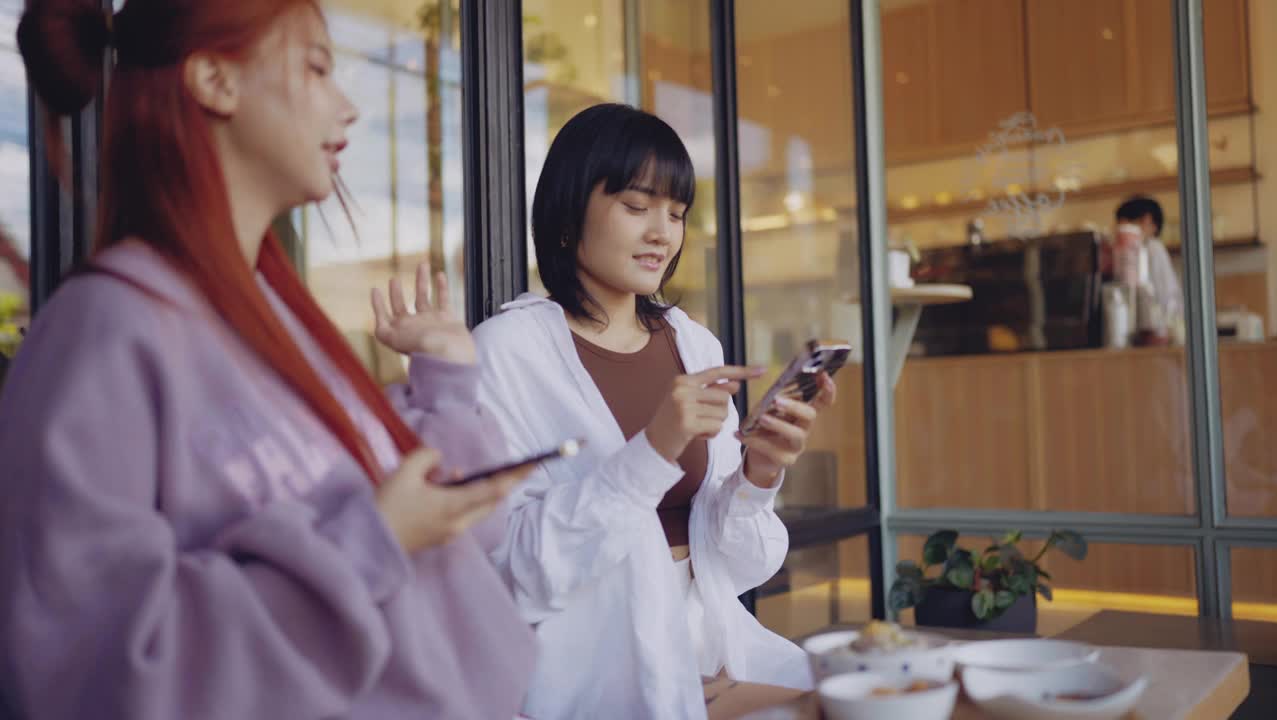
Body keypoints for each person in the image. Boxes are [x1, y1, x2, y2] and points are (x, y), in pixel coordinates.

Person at [0, 2, 534, 718]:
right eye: (315, 66)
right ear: (216, 80)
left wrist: (444, 387)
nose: (346, 110)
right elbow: (86, 672)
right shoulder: (104, 329)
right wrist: (370, 545)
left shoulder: (275, 317)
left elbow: (435, 531)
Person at [467, 103, 836, 718]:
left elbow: (740, 564)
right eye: (636, 208)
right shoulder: (507, 353)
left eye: (677, 213)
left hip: (709, 642)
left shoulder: (691, 344)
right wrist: (653, 449)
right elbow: (510, 571)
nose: (662, 233)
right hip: (588, 670)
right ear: (566, 217)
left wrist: (760, 474)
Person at [1116, 195, 1182, 323]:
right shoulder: (1139, 251)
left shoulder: (1153, 248)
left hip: (1161, 324)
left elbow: (1164, 297)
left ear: (1151, 223)